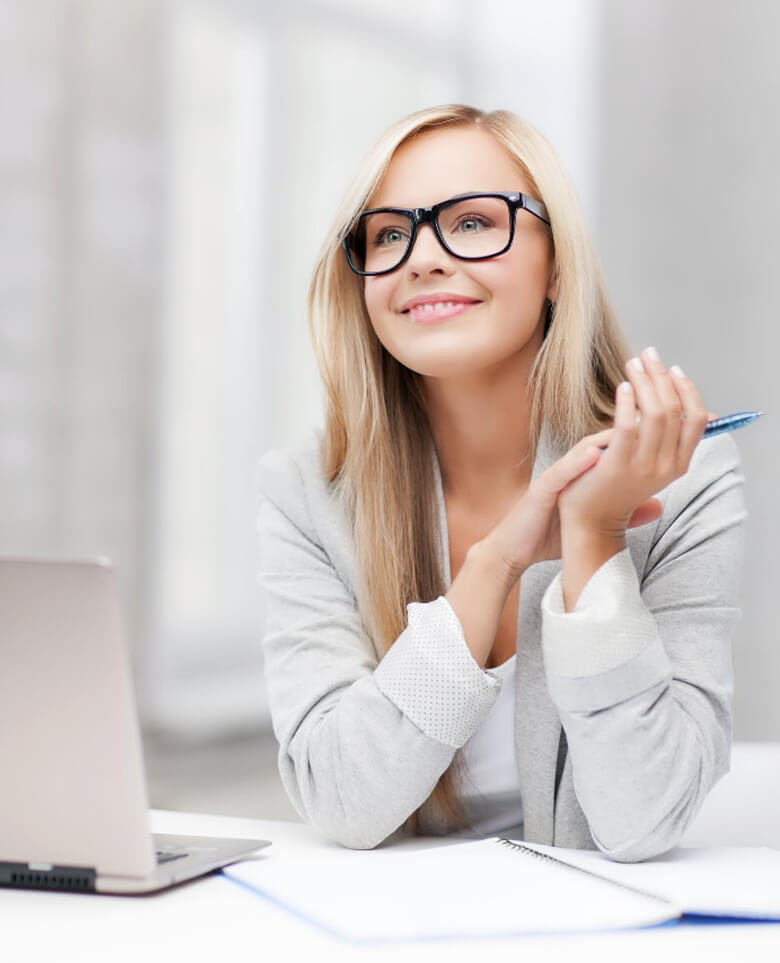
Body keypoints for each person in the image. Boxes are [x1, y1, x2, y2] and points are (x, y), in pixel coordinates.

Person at [256, 104, 746, 861]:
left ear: (557, 267)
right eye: (388, 233)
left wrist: (596, 536)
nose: (421, 257)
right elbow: (343, 802)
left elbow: (645, 818)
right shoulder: (306, 491)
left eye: (475, 222)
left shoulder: (686, 480)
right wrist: (492, 568)